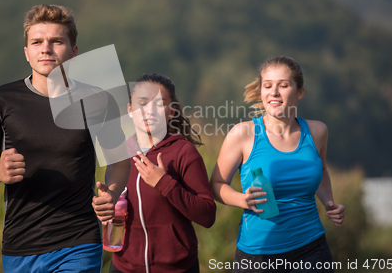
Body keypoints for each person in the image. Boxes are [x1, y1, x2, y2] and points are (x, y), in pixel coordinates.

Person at [0, 3, 130, 273]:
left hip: (79, 241)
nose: (46, 48)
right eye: (37, 42)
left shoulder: (98, 100)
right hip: (20, 245)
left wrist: (111, 194)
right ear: (27, 53)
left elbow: (120, 162)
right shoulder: (0, 101)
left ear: (74, 53)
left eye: (56, 41)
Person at [210, 56, 345, 273]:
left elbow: (320, 171)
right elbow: (216, 184)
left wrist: (330, 203)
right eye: (267, 86)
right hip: (258, 254)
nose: (274, 92)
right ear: (261, 91)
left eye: (283, 85)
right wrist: (242, 200)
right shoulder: (243, 134)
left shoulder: (318, 132)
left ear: (299, 92)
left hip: (312, 249)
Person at [109, 73, 216, 273]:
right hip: (123, 267)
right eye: (142, 103)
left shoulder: (184, 153)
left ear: (172, 111)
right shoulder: (119, 154)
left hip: (177, 268)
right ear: (130, 110)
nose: (149, 110)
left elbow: (207, 215)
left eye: (159, 104)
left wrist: (164, 183)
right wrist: (105, 207)